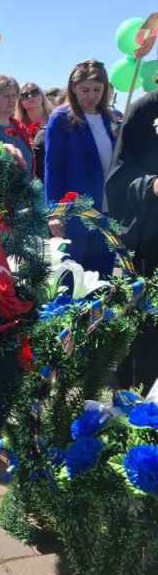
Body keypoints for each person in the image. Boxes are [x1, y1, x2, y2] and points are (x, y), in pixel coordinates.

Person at [106, 87, 158, 391]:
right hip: (150, 244)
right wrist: (150, 186)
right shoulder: (146, 109)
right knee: (145, 335)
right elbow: (120, 179)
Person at [45, 60, 115, 275]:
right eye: (85, 89)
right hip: (75, 211)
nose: (91, 95)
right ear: (73, 88)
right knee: (73, 276)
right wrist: (54, 213)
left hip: (106, 210)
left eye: (97, 89)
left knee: (102, 276)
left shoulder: (108, 118)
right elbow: (52, 168)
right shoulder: (61, 118)